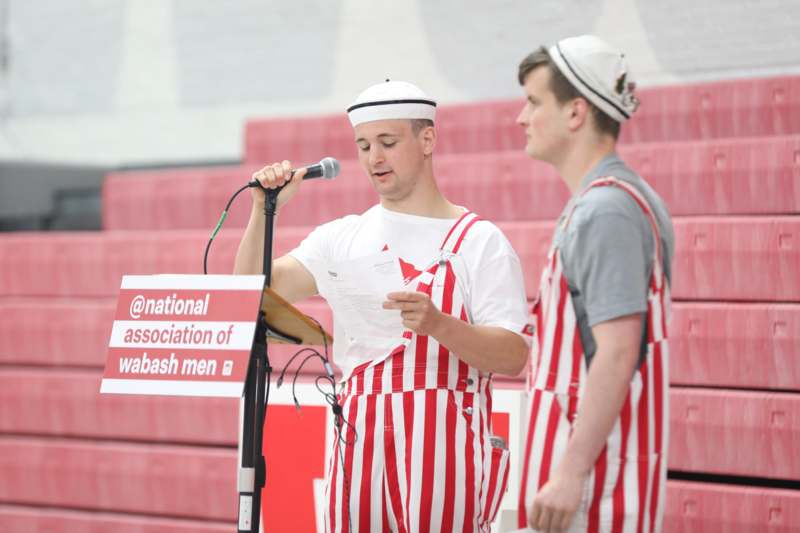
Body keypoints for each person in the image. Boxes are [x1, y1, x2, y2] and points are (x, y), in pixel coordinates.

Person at [234, 80, 530, 532]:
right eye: (364, 145)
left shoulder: (479, 240)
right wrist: (262, 211)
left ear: (427, 139)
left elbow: (513, 354)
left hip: (444, 434)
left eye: (388, 143)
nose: (374, 158)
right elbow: (249, 290)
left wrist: (441, 325)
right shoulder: (342, 236)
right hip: (356, 428)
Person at [514, 36, 675, 532]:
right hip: (590, 483)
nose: (522, 117)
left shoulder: (606, 211)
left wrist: (570, 471)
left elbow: (618, 351)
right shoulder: (605, 202)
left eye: (534, 101)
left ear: (576, 112)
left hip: (596, 491)